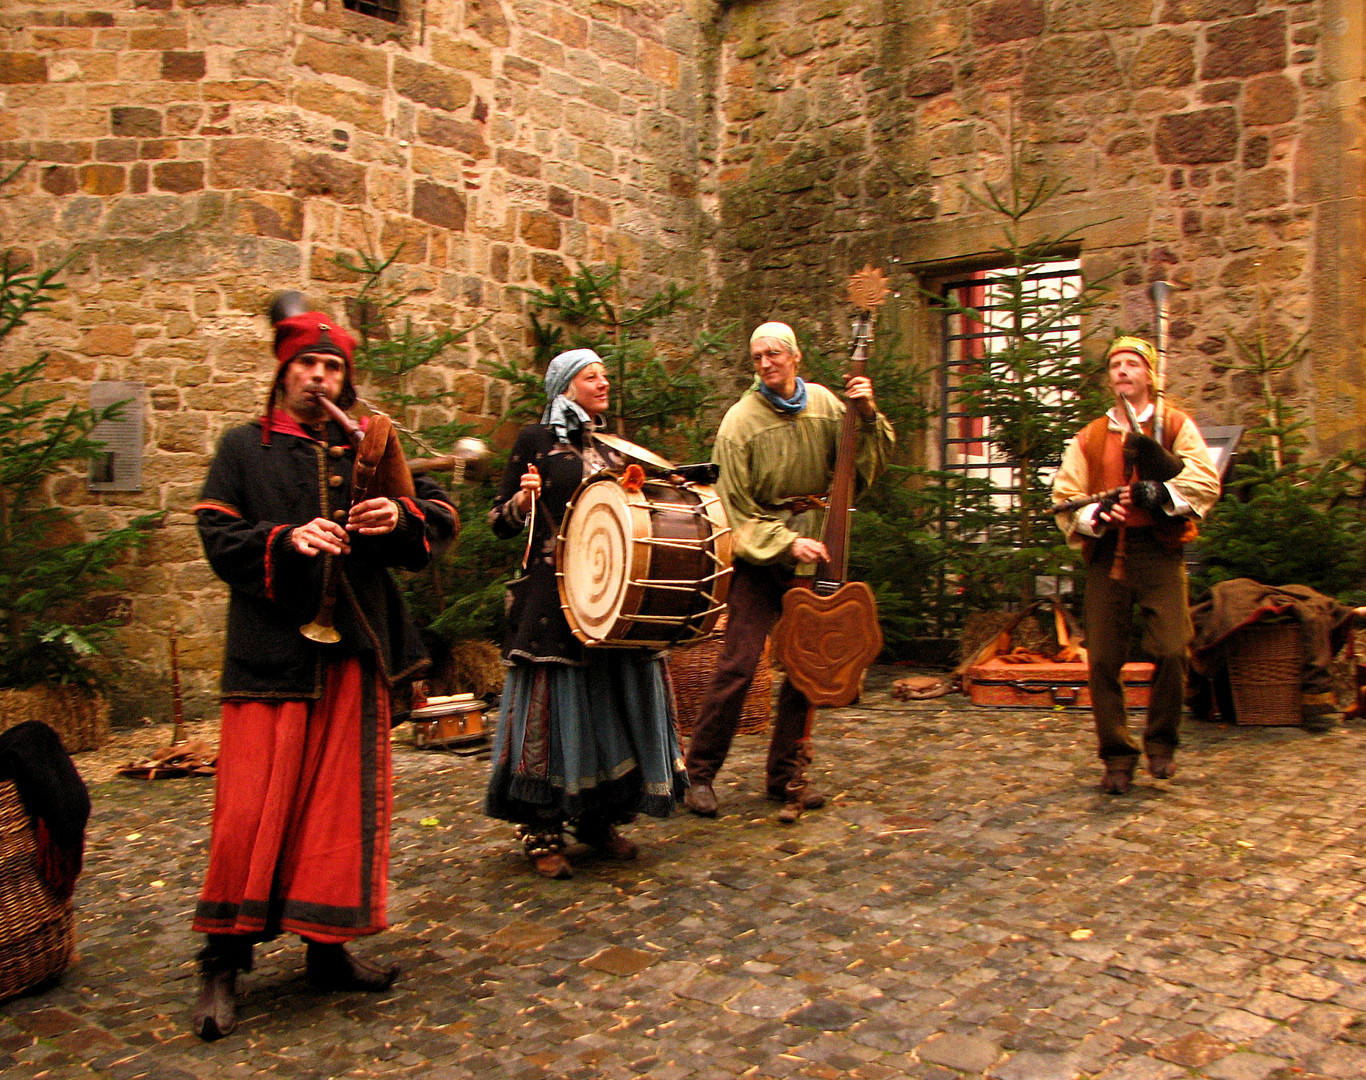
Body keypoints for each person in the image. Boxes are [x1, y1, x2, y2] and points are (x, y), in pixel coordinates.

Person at [190, 307, 458, 1040]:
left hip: (350, 654)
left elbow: (435, 512)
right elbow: (217, 533)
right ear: (283, 372)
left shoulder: (367, 442)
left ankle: (327, 950)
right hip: (269, 659)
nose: (319, 376)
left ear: (346, 376)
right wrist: (287, 537)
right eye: (307, 365)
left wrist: (397, 521)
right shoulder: (243, 447)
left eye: (332, 366)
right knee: (249, 814)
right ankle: (222, 959)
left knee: (338, 813)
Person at [485, 348, 687, 879]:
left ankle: (598, 819)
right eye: (590, 375)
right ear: (565, 386)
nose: (603, 382)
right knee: (555, 709)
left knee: (611, 703)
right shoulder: (536, 440)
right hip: (553, 598)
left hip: (609, 593)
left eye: (603, 374)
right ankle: (541, 829)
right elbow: (498, 521)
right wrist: (523, 505)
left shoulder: (611, 445)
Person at [683, 321, 894, 821]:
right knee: (739, 664)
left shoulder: (824, 404)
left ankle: (784, 776)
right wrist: (784, 540)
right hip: (762, 559)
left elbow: (862, 464)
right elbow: (733, 507)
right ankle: (699, 774)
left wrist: (866, 415)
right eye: (757, 356)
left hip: (817, 552)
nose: (765, 363)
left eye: (774, 354)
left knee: (808, 663)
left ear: (795, 357)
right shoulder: (739, 423)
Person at [1052, 335, 1220, 794]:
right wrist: (1097, 515)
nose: (1123, 371)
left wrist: (1161, 494)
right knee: (1104, 659)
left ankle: (1161, 743)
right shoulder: (1089, 436)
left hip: (1159, 551)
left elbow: (1204, 480)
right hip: (1107, 556)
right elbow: (1066, 496)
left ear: (1148, 374)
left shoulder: (1174, 425)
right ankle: (1117, 757)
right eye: (1116, 365)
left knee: (1170, 649)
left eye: (1132, 364)